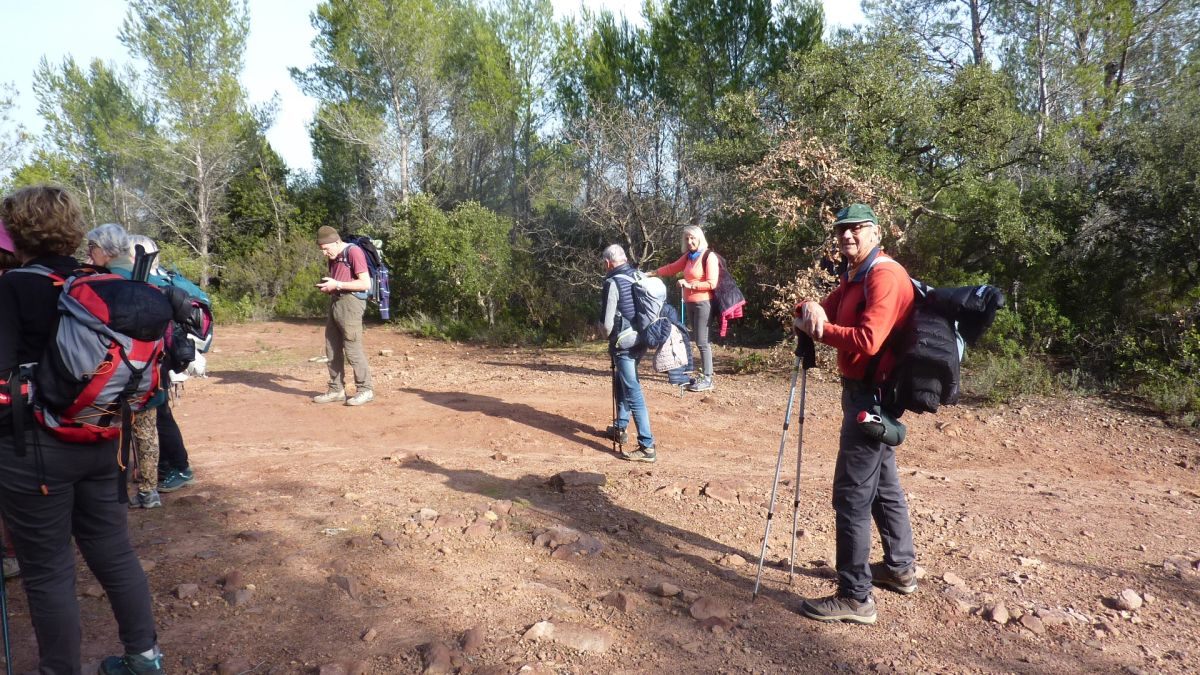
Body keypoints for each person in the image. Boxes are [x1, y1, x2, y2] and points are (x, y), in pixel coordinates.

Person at [0, 186, 163, 673]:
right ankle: (144, 657)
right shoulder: (95, 281)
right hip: (103, 437)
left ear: (16, 231)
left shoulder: (12, 288)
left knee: (48, 571)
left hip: (33, 450)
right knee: (114, 551)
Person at [792, 203, 918, 625]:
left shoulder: (883, 275)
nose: (847, 235)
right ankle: (900, 569)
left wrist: (818, 329)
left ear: (876, 232)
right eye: (841, 229)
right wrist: (809, 306)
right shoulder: (855, 275)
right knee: (883, 486)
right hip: (865, 393)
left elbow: (868, 339)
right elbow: (819, 309)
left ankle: (855, 596)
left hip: (873, 400)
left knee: (851, 495)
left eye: (856, 228)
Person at [85, 224, 166, 509]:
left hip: (108, 373)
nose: (89, 254)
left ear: (102, 249)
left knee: (109, 430)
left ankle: (112, 492)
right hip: (147, 369)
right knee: (146, 431)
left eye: (91, 248)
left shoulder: (96, 283)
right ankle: (149, 491)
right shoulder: (148, 279)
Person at [127, 235, 197, 495]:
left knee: (161, 415)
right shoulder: (158, 281)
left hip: (154, 360)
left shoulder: (149, 285)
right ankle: (166, 466)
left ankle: (179, 468)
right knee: (158, 415)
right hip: (158, 358)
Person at [600, 244, 656, 462]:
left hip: (624, 343)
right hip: (643, 338)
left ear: (608, 263)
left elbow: (607, 324)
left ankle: (647, 446)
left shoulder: (612, 282)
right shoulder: (638, 275)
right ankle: (620, 427)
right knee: (622, 381)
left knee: (632, 389)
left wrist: (606, 336)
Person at [651, 225, 720, 392]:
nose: (689, 241)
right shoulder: (689, 257)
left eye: (692, 238)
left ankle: (708, 378)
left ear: (699, 238)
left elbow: (712, 283)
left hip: (704, 303)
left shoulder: (709, 256)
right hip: (690, 303)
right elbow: (672, 268)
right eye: (687, 238)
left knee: (702, 342)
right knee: (696, 339)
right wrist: (653, 273)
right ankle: (703, 375)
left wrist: (689, 285)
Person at [312, 226, 374, 406]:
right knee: (331, 348)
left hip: (351, 303)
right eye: (322, 249)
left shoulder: (353, 252)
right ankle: (336, 390)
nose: (324, 253)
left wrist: (337, 285)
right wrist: (330, 287)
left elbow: (365, 284)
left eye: (326, 248)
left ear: (337, 242)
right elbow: (339, 280)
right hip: (336, 301)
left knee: (352, 349)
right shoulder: (334, 256)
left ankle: (365, 390)